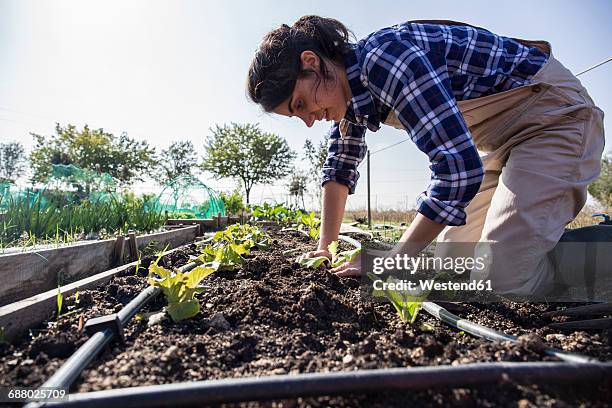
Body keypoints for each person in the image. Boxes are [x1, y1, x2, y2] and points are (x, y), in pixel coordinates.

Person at [246, 16, 605, 296]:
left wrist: (393, 261)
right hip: (505, 144)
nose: (309, 119)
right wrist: (325, 249)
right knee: (455, 264)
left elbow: (458, 170)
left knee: (503, 276)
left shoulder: (386, 61)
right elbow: (340, 167)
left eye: (301, 104)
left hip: (556, 118)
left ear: (311, 63)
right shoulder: (350, 96)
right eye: (298, 116)